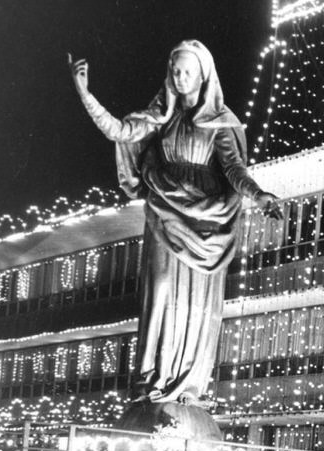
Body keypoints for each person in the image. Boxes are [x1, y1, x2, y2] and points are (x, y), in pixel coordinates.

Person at [68, 42, 279, 406]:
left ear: (203, 75)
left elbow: (233, 169)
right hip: (164, 211)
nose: (181, 78)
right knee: (161, 291)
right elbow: (119, 131)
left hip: (207, 220)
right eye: (176, 71)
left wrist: (259, 195)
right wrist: (85, 94)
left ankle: (188, 382)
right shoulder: (160, 115)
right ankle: (153, 378)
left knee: (197, 302)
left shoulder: (221, 122)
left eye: (187, 72)